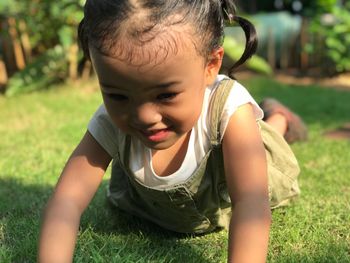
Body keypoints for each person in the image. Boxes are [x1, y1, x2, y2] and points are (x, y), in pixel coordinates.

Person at [38, 1, 304, 262]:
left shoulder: (229, 109)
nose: (144, 116)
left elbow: (250, 203)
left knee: (265, 149)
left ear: (210, 66)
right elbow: (66, 202)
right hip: (152, 211)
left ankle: (277, 116)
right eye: (118, 96)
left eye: (166, 95)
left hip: (241, 179)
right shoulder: (110, 121)